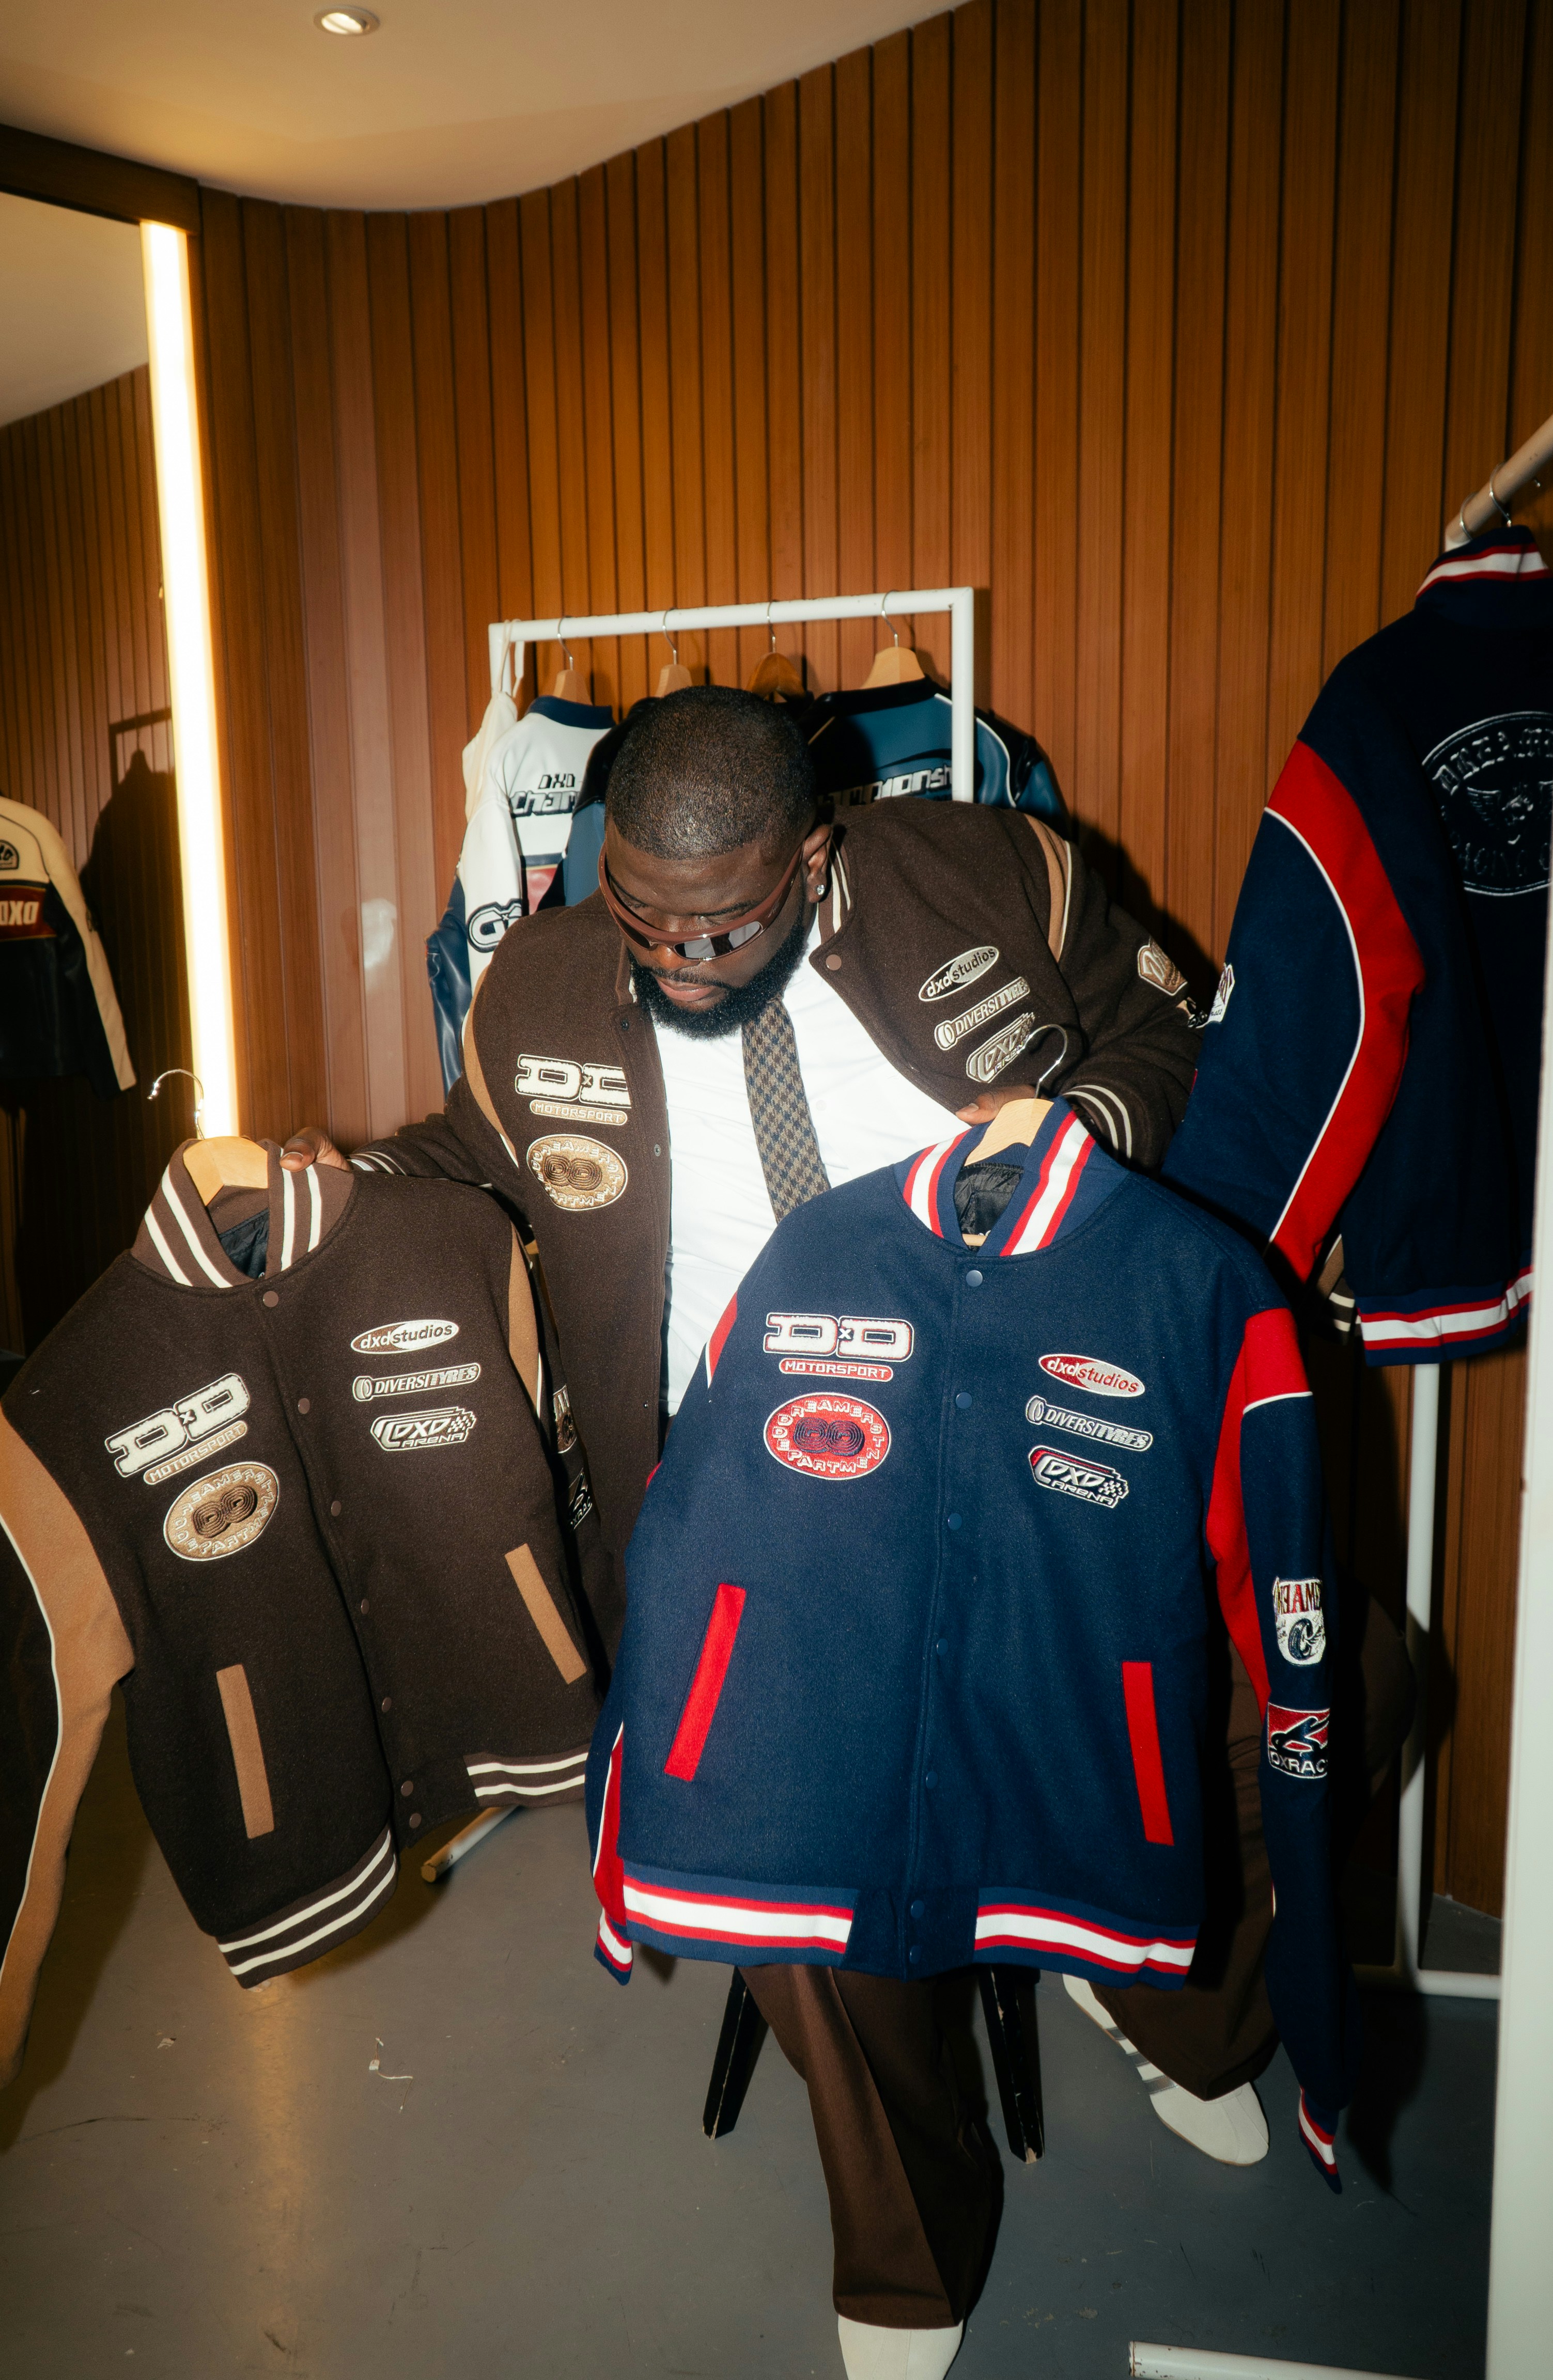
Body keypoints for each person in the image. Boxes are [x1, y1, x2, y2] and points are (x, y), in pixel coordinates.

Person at [277, 685, 1223, 2377]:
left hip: (1023, 1429)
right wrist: (331, 1186)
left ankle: (1173, 1998)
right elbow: (467, 1163)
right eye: (642, 916)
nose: (680, 963)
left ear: (818, 849)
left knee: (1285, 1691)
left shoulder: (998, 880)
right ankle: (911, 2240)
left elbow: (1169, 1031)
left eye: (723, 923)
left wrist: (1079, 1128)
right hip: (747, 1483)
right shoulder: (549, 978)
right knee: (764, 1814)